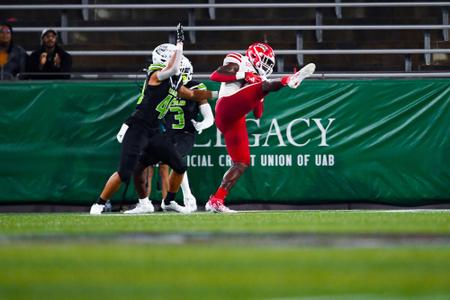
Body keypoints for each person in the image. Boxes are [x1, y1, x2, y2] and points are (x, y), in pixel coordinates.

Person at [90, 25, 217, 215]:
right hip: (138, 127)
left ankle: (168, 202)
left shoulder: (175, 82)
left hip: (154, 131)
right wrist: (180, 43)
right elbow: (173, 68)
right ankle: (100, 203)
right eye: (177, 60)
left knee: (180, 165)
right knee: (126, 171)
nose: (180, 65)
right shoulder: (155, 74)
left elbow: (193, 94)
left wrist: (224, 94)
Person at [206, 42, 316, 213]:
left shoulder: (262, 80)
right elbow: (216, 76)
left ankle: (216, 200)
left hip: (235, 119)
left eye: (269, 64)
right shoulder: (238, 59)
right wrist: (247, 75)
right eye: (264, 61)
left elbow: (258, 114)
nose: (266, 66)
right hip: (226, 107)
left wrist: (260, 91)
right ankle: (288, 80)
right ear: (255, 55)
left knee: (242, 162)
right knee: (265, 85)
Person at [125, 56, 214, 214]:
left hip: (184, 133)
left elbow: (208, 114)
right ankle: (146, 202)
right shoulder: (166, 86)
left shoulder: (194, 86)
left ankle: (185, 198)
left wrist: (203, 123)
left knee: (175, 162)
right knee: (142, 164)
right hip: (164, 133)